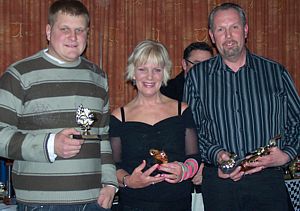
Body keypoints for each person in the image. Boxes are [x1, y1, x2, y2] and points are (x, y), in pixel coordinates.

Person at [0, 0, 118, 210]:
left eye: (80, 30)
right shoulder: (19, 75)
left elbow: (102, 135)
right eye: (65, 29)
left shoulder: (98, 77)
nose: (73, 37)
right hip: (40, 203)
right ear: (48, 31)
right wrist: (49, 145)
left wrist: (110, 183)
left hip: (93, 201)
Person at [184, 2, 300, 211]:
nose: (228, 36)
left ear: (245, 30)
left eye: (234, 27)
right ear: (212, 35)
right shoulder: (196, 77)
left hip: (267, 180)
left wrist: (286, 155)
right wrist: (217, 154)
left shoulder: (276, 72)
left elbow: (296, 121)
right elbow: (191, 130)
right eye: (221, 29)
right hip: (220, 182)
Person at [109, 40, 201, 211]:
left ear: (164, 73)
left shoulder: (182, 110)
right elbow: (113, 166)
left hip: (177, 203)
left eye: (156, 70)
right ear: (133, 73)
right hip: (133, 205)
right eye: (143, 69)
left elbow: (194, 156)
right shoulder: (118, 117)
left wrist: (184, 171)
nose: (150, 77)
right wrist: (128, 181)